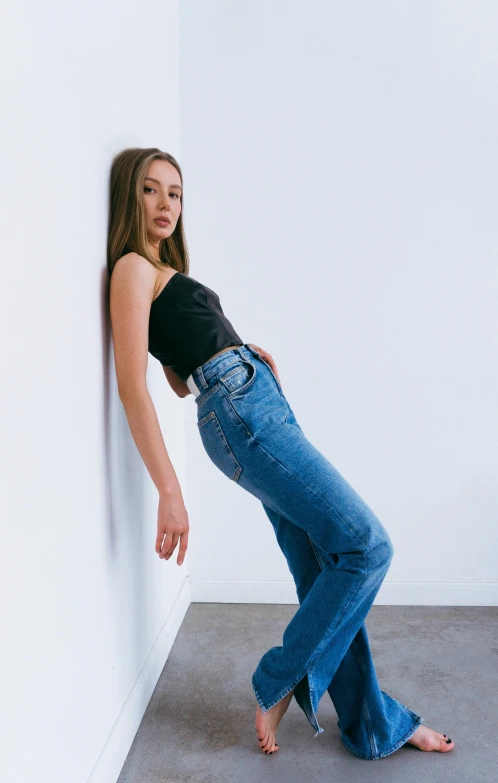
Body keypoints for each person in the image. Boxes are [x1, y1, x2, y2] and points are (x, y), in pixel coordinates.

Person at [107, 147, 454, 759]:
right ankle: (278, 679)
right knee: (367, 546)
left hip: (251, 397)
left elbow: (174, 373)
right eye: (151, 191)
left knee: (327, 566)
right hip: (241, 411)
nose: (167, 205)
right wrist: (170, 490)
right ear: (129, 198)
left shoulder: (161, 271)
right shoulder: (131, 268)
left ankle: (373, 724)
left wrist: (239, 351)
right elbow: (133, 386)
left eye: (177, 193)